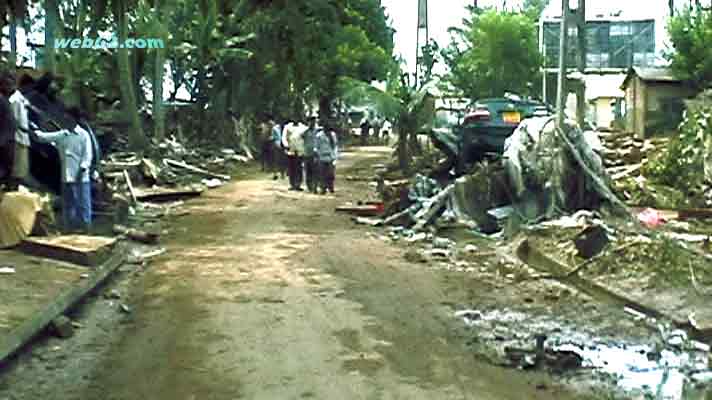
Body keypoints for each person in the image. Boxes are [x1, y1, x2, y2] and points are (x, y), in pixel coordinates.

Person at [31, 124, 92, 232]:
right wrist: (30, 129)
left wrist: (82, 169)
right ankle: (69, 230)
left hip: (81, 178)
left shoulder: (84, 135)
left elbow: (87, 156)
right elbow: (43, 137)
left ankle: (86, 229)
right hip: (66, 177)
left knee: (83, 205)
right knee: (68, 206)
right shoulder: (62, 134)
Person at [281, 120, 306, 191]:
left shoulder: (303, 127)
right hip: (290, 150)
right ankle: (292, 184)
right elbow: (284, 137)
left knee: (299, 168)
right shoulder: (287, 127)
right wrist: (286, 145)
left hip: (300, 150)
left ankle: (298, 184)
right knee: (291, 168)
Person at [314, 123, 339, 194]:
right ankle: (323, 188)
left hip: (330, 156)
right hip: (322, 156)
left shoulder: (332, 135)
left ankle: (331, 186)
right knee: (322, 174)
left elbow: (335, 145)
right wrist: (317, 154)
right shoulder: (319, 135)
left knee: (331, 174)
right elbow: (316, 146)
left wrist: (334, 156)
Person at [302, 116, 319, 193]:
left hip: (316, 154)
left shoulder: (318, 131)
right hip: (307, 154)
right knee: (308, 171)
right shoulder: (305, 132)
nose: (311, 123)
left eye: (313, 122)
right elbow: (301, 139)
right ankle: (309, 186)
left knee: (316, 171)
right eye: (310, 122)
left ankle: (315, 186)